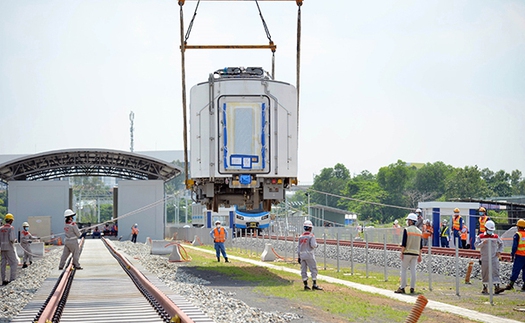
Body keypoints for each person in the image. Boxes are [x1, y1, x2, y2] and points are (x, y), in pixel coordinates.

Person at [394, 213, 423, 294]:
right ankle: (412, 287)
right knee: (413, 270)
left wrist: (401, 253)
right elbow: (420, 246)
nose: (407, 222)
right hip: (416, 254)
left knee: (403, 270)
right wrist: (420, 255)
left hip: (407, 252)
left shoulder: (407, 230)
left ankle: (402, 287)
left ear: (411, 221)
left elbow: (404, 243)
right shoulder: (419, 231)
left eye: (408, 220)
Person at [475, 220, 505, 294]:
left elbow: (501, 244)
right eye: (489, 230)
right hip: (484, 258)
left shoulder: (495, 236)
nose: (490, 231)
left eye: (491, 230)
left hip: (494, 257)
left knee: (495, 271)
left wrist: (499, 251)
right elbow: (476, 245)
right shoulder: (481, 237)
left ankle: (497, 287)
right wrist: (482, 243)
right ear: (485, 229)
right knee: (485, 273)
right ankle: (485, 288)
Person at [297, 220, 322, 290]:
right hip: (309, 255)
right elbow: (313, 245)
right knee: (313, 269)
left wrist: (298, 257)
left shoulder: (301, 236)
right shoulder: (311, 236)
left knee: (303, 270)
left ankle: (306, 285)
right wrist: (317, 245)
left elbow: (298, 247)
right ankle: (314, 284)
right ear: (310, 228)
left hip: (302, 256)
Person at [505, 219, 525, 291]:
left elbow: (514, 246)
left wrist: (512, 255)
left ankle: (511, 284)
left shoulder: (517, 235)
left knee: (516, 270)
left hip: (519, 256)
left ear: (518, 227)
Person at [1, 213, 18, 285]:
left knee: (3, 264)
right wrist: (15, 240)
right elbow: (11, 239)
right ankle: (12, 279)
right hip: (9, 248)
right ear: (11, 220)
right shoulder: (11, 228)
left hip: (2, 248)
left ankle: (3, 279)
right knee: (14, 263)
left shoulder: (1, 228)